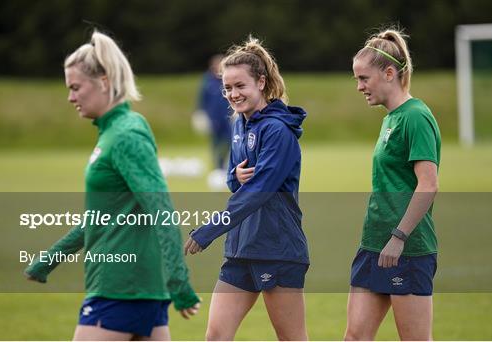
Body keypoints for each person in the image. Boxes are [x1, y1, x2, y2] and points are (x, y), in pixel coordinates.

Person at [24, 30, 200, 341]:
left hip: (119, 287)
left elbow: (161, 209)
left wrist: (179, 281)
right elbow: (101, 215)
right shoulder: (113, 133)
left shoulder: (125, 135)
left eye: (76, 87)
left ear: (104, 82)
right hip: (136, 287)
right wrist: (48, 260)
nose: (70, 97)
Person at [184, 36, 309, 341]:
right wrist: (235, 177)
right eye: (227, 88)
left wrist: (208, 230)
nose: (232, 94)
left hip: (277, 248)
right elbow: (234, 181)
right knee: (215, 336)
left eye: (240, 86)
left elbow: (259, 192)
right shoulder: (239, 123)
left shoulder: (278, 131)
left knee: (292, 339)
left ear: (261, 82)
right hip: (241, 249)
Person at [345, 28, 441, 340]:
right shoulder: (391, 117)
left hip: (407, 248)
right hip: (373, 243)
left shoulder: (416, 116)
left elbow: (428, 184)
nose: (359, 87)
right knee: (354, 338)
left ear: (389, 73)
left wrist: (399, 237)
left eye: (364, 79)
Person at [194, 54, 233, 172]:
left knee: (230, 140)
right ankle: (217, 166)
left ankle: (227, 162)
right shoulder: (207, 80)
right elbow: (202, 99)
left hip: (227, 117)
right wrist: (200, 114)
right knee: (215, 143)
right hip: (214, 118)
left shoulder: (228, 79)